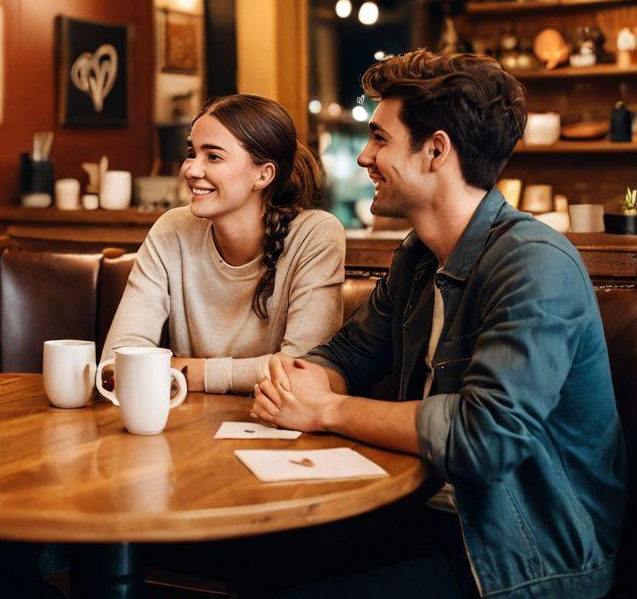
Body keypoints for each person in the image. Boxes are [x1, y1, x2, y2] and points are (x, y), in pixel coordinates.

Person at [251, 50, 626, 599]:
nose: (363, 158)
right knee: (259, 555)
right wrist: (301, 379)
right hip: (426, 513)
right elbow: (351, 356)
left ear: (436, 150)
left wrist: (328, 408)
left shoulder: (535, 262)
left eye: (379, 139)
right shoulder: (419, 257)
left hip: (524, 556)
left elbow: (486, 437)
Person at [101, 94, 345, 393]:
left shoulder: (315, 235)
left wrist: (192, 373)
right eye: (192, 152)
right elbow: (117, 360)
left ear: (263, 174)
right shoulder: (173, 229)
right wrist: (255, 371)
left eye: (213, 156)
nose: (190, 169)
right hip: (184, 423)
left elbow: (304, 370)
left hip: (275, 428)